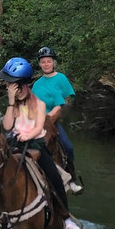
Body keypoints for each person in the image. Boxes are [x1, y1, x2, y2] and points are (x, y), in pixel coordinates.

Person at [0, 57, 78, 229]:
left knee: (53, 175)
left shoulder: (38, 103)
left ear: (21, 84)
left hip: (35, 142)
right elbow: (6, 125)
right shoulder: (15, 102)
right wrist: (11, 102)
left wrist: (26, 135)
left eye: (10, 84)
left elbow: (39, 127)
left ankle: (65, 217)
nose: (7, 86)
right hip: (14, 140)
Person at [31, 46, 83, 194]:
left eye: (48, 61)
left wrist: (49, 119)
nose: (46, 64)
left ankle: (72, 179)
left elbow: (62, 103)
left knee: (68, 146)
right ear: (40, 64)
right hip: (37, 122)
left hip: (52, 121)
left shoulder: (60, 78)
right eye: (43, 62)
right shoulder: (37, 84)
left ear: (53, 62)